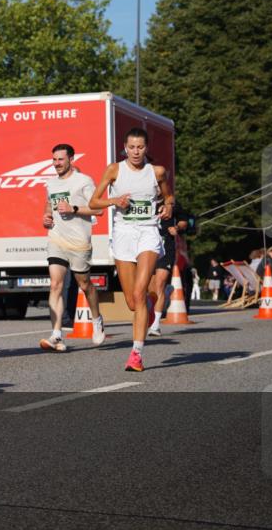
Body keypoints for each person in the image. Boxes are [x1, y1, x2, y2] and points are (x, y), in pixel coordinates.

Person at [89, 127, 174, 372]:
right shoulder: (114, 170)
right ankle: (149, 302)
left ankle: (136, 354)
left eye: (140, 147)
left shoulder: (156, 172)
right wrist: (114, 201)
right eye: (132, 147)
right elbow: (94, 201)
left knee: (138, 294)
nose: (136, 152)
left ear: (147, 149)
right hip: (123, 234)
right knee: (131, 302)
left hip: (148, 232)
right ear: (125, 148)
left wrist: (168, 207)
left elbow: (168, 197)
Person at [39, 143, 105, 351]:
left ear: (71, 160)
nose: (56, 163)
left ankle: (97, 320)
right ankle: (56, 335)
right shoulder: (51, 184)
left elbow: (99, 210)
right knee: (55, 285)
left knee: (85, 285)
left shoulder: (83, 181)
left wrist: (74, 208)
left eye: (60, 159)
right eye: (54, 160)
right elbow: (49, 206)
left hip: (79, 242)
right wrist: (47, 217)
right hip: (57, 239)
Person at [148, 199, 189, 336]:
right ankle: (165, 294)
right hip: (147, 246)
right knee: (150, 288)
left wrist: (177, 228)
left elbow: (184, 221)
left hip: (166, 247)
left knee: (159, 284)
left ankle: (155, 325)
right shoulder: (145, 198)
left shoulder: (172, 203)